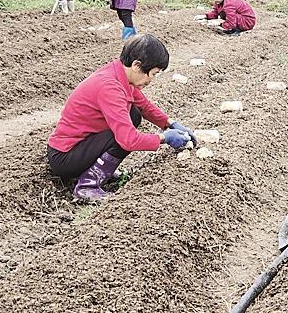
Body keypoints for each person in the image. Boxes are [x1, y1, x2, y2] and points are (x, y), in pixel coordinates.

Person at [47, 33, 198, 202]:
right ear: (137, 66)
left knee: (133, 114)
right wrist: (164, 138)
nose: (152, 80)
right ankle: (87, 186)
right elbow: (129, 140)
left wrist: (171, 124)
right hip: (65, 156)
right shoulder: (110, 87)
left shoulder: (120, 75)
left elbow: (144, 106)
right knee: (120, 136)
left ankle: (102, 170)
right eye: (153, 74)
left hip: (81, 146)